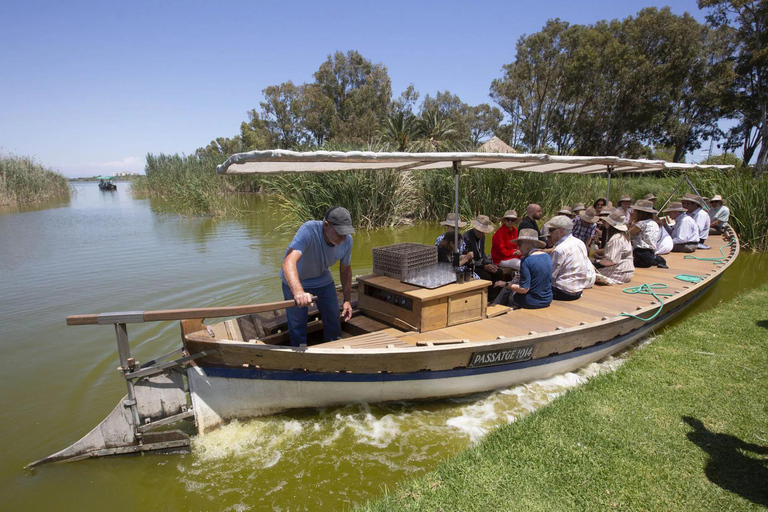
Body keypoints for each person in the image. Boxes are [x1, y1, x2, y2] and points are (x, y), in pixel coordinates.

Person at [281, 206, 354, 347]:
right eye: (339, 233)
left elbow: (345, 270)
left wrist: (347, 299)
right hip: (297, 280)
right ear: (326, 225)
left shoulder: (347, 241)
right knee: (297, 324)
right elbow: (288, 263)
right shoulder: (308, 230)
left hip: (322, 278)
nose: (343, 238)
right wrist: (298, 292)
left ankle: (334, 348)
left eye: (346, 233)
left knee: (334, 318)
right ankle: (300, 356)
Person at [492, 229, 552, 309]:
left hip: (532, 302)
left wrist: (505, 284)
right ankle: (496, 306)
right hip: (547, 299)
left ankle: (498, 309)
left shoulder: (526, 261)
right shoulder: (547, 256)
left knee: (510, 292)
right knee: (513, 283)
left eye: (519, 244)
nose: (518, 247)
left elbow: (524, 289)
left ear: (528, 244)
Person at [547, 215, 596, 301]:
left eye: (551, 230)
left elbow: (550, 275)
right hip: (578, 290)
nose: (549, 233)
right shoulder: (580, 243)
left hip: (562, 291)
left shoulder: (559, 249)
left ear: (561, 231)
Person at [463, 215, 505, 299]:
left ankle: (497, 298)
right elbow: (469, 259)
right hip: (471, 265)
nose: (481, 233)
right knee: (486, 277)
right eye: (480, 231)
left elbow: (482, 253)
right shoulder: (467, 237)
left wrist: (489, 264)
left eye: (483, 231)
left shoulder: (482, 237)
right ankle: (488, 299)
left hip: (480, 263)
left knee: (498, 272)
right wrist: (484, 266)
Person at [594, 210, 635, 285]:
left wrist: (597, 261)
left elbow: (611, 261)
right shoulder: (624, 236)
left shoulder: (616, 239)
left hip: (619, 273)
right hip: (628, 270)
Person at [628, 199, 659, 268]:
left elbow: (626, 233)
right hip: (650, 254)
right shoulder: (654, 223)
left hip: (641, 255)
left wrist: (630, 220)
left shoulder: (641, 224)